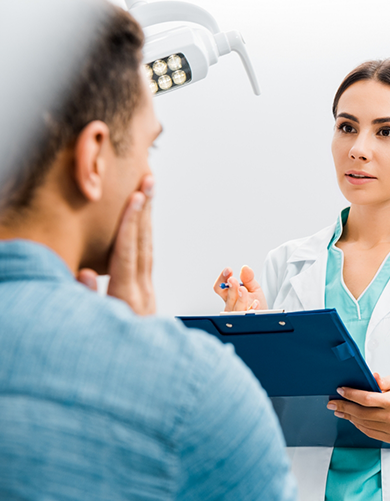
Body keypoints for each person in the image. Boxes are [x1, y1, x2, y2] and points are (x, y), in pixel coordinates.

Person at [0, 4, 298, 500]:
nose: (148, 177)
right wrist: (141, 355)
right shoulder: (197, 395)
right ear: (94, 157)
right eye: (148, 148)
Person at [214, 58, 390, 500]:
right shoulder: (288, 263)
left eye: (386, 131)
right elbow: (257, 418)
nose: (358, 148)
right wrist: (247, 339)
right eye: (347, 127)